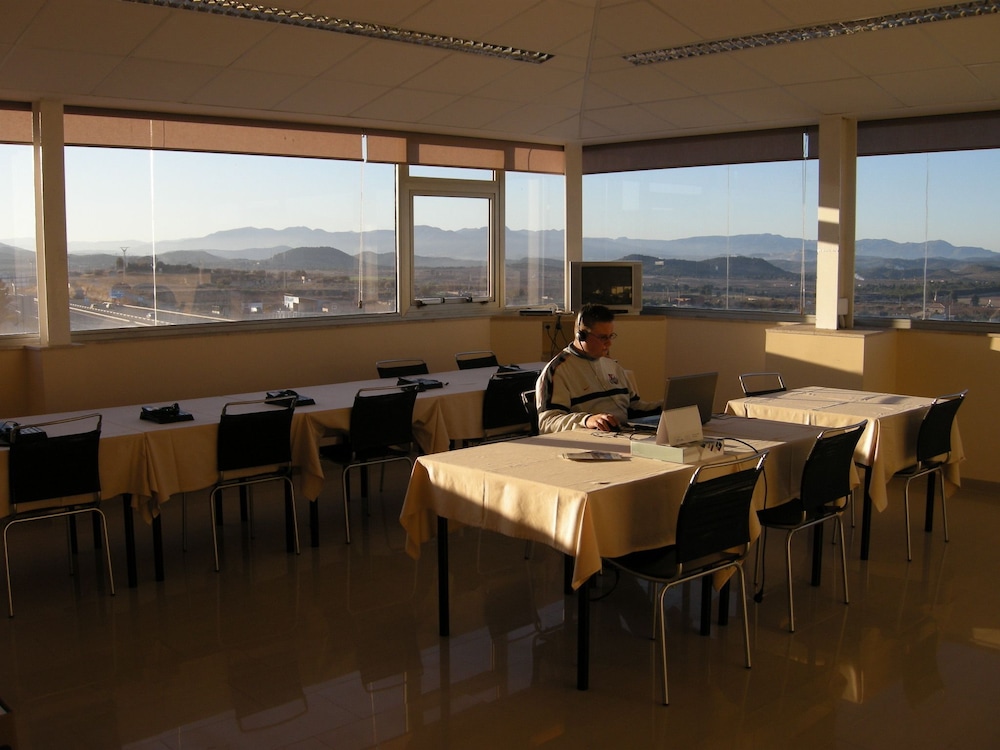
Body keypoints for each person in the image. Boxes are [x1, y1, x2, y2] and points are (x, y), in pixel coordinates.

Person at [536, 303, 661, 433]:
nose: (609, 343)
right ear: (581, 336)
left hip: (626, 433)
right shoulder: (557, 371)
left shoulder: (613, 366)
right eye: (603, 337)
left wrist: (664, 406)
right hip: (592, 438)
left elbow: (633, 409)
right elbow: (547, 422)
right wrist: (587, 420)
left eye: (610, 336)